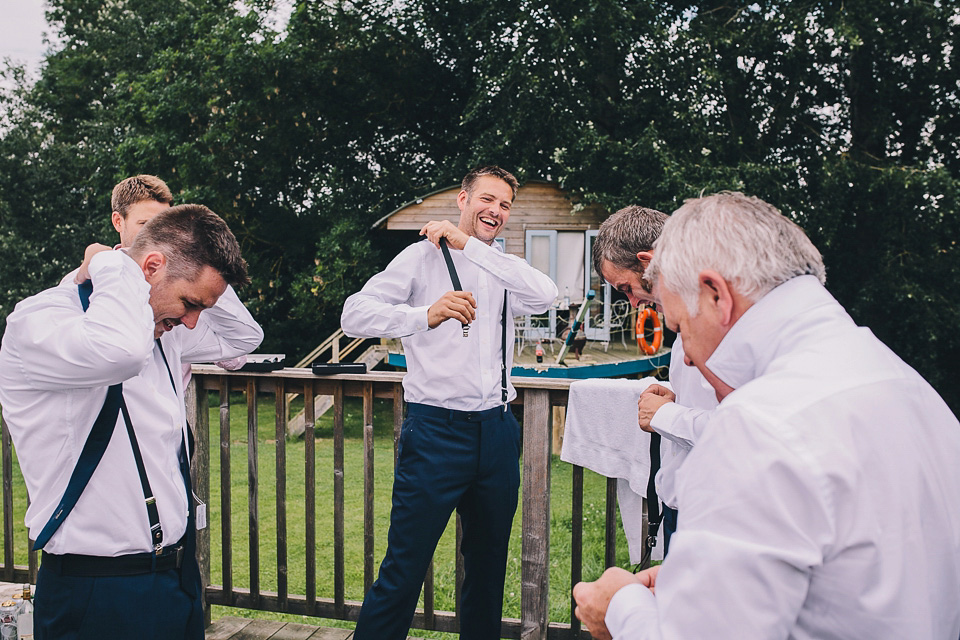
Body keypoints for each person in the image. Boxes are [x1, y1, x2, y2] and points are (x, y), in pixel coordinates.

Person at [573, 192, 960, 639]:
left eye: (680, 328)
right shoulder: (910, 386)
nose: (692, 359)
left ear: (715, 294)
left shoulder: (757, 428)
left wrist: (621, 608)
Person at [0, 204, 264, 639]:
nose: (192, 322)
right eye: (190, 303)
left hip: (175, 579)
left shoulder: (163, 329)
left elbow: (242, 338)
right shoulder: (42, 320)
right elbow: (119, 353)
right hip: (97, 593)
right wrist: (110, 262)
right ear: (151, 268)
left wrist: (184, 280)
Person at [341, 166, 558, 639]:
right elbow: (354, 313)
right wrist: (425, 314)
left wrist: (471, 249)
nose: (495, 211)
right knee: (405, 565)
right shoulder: (419, 258)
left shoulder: (502, 266)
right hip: (435, 432)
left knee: (487, 570)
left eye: (504, 205)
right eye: (487, 199)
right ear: (462, 199)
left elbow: (547, 296)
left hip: (498, 432)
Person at [592, 206, 717, 556]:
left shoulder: (716, 325)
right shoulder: (682, 321)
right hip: (684, 506)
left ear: (647, 263)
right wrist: (677, 399)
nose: (632, 303)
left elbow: (745, 430)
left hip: (713, 517)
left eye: (627, 288)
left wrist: (664, 416)